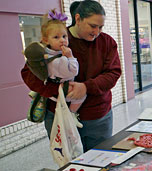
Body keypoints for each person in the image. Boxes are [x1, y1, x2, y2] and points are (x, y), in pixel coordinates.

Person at [21, 0, 122, 152]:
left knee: (100, 159)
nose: (97, 32)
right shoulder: (56, 37)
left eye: (101, 27)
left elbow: (113, 73)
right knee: (69, 162)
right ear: (78, 19)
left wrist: (86, 88)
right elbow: (29, 73)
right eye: (93, 26)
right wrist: (59, 91)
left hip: (98, 117)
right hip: (59, 115)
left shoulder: (107, 42)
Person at [39, 9, 84, 128]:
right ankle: (72, 114)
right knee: (81, 96)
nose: (62, 40)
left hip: (53, 88)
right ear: (45, 40)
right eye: (56, 37)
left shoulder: (45, 54)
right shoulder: (59, 59)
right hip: (61, 90)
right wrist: (70, 56)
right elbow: (73, 71)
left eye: (64, 36)